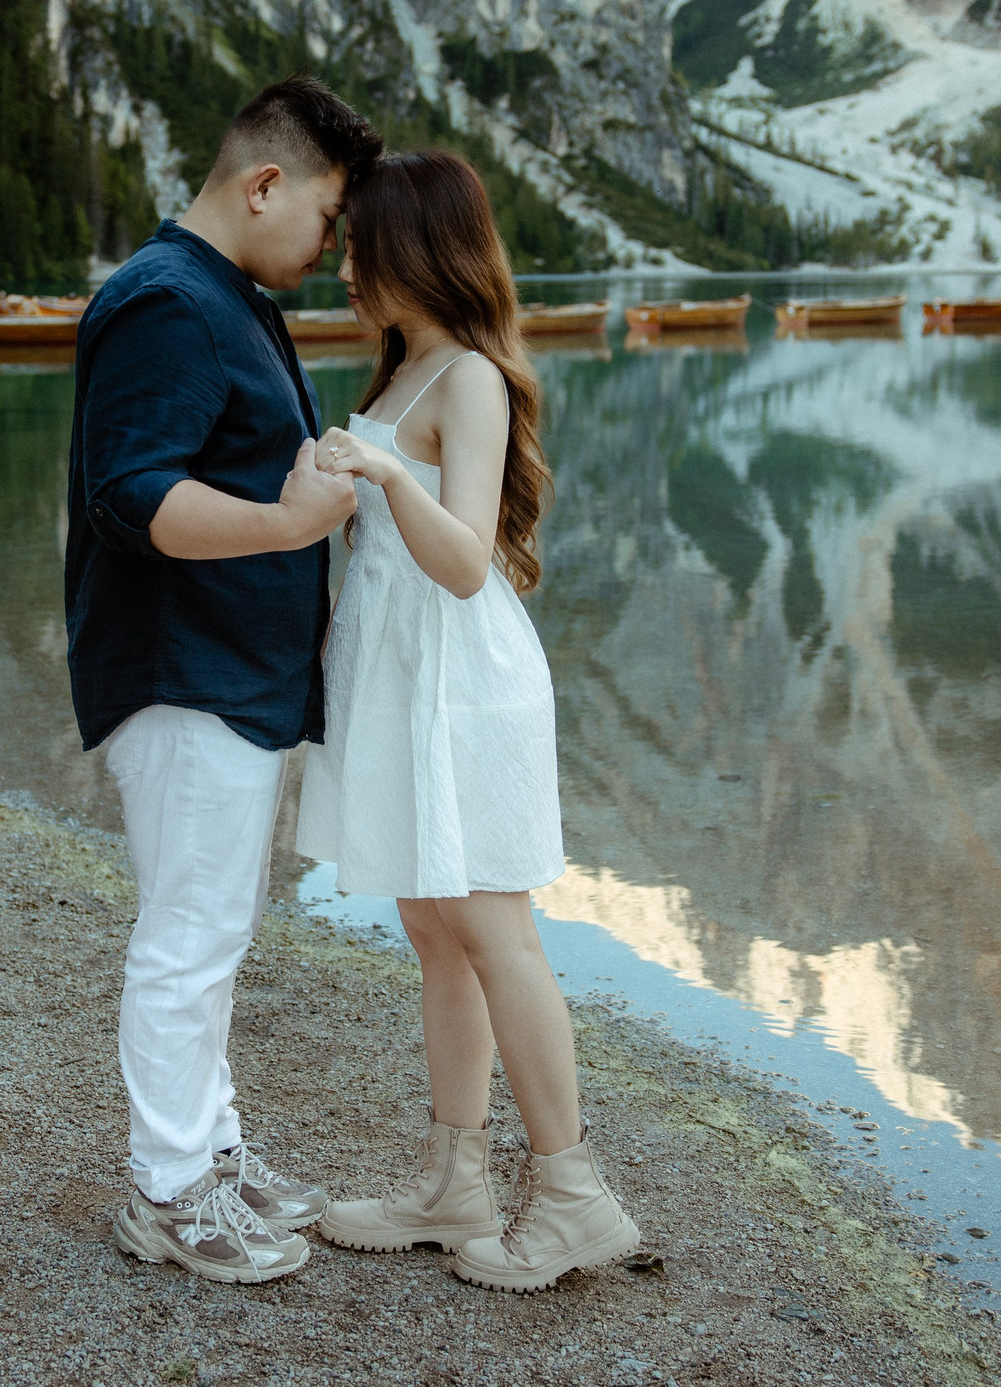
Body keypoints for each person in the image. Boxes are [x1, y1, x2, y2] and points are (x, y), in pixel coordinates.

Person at [296, 148, 640, 1293]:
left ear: (414, 249)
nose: (342, 263)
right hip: (398, 682)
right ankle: (455, 1179)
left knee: (498, 930)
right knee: (434, 929)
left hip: (464, 679)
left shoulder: (471, 381)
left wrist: (385, 481)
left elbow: (462, 560)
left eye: (359, 244)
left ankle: (576, 1194)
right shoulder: (405, 373)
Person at [66, 75, 385, 1284]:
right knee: (190, 934)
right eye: (327, 216)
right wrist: (293, 523)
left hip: (226, 671)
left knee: (214, 922)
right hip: (182, 670)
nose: (332, 245)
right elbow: (132, 495)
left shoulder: (222, 294)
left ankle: (213, 1148)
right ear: (263, 185)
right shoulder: (168, 302)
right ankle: (166, 1189)